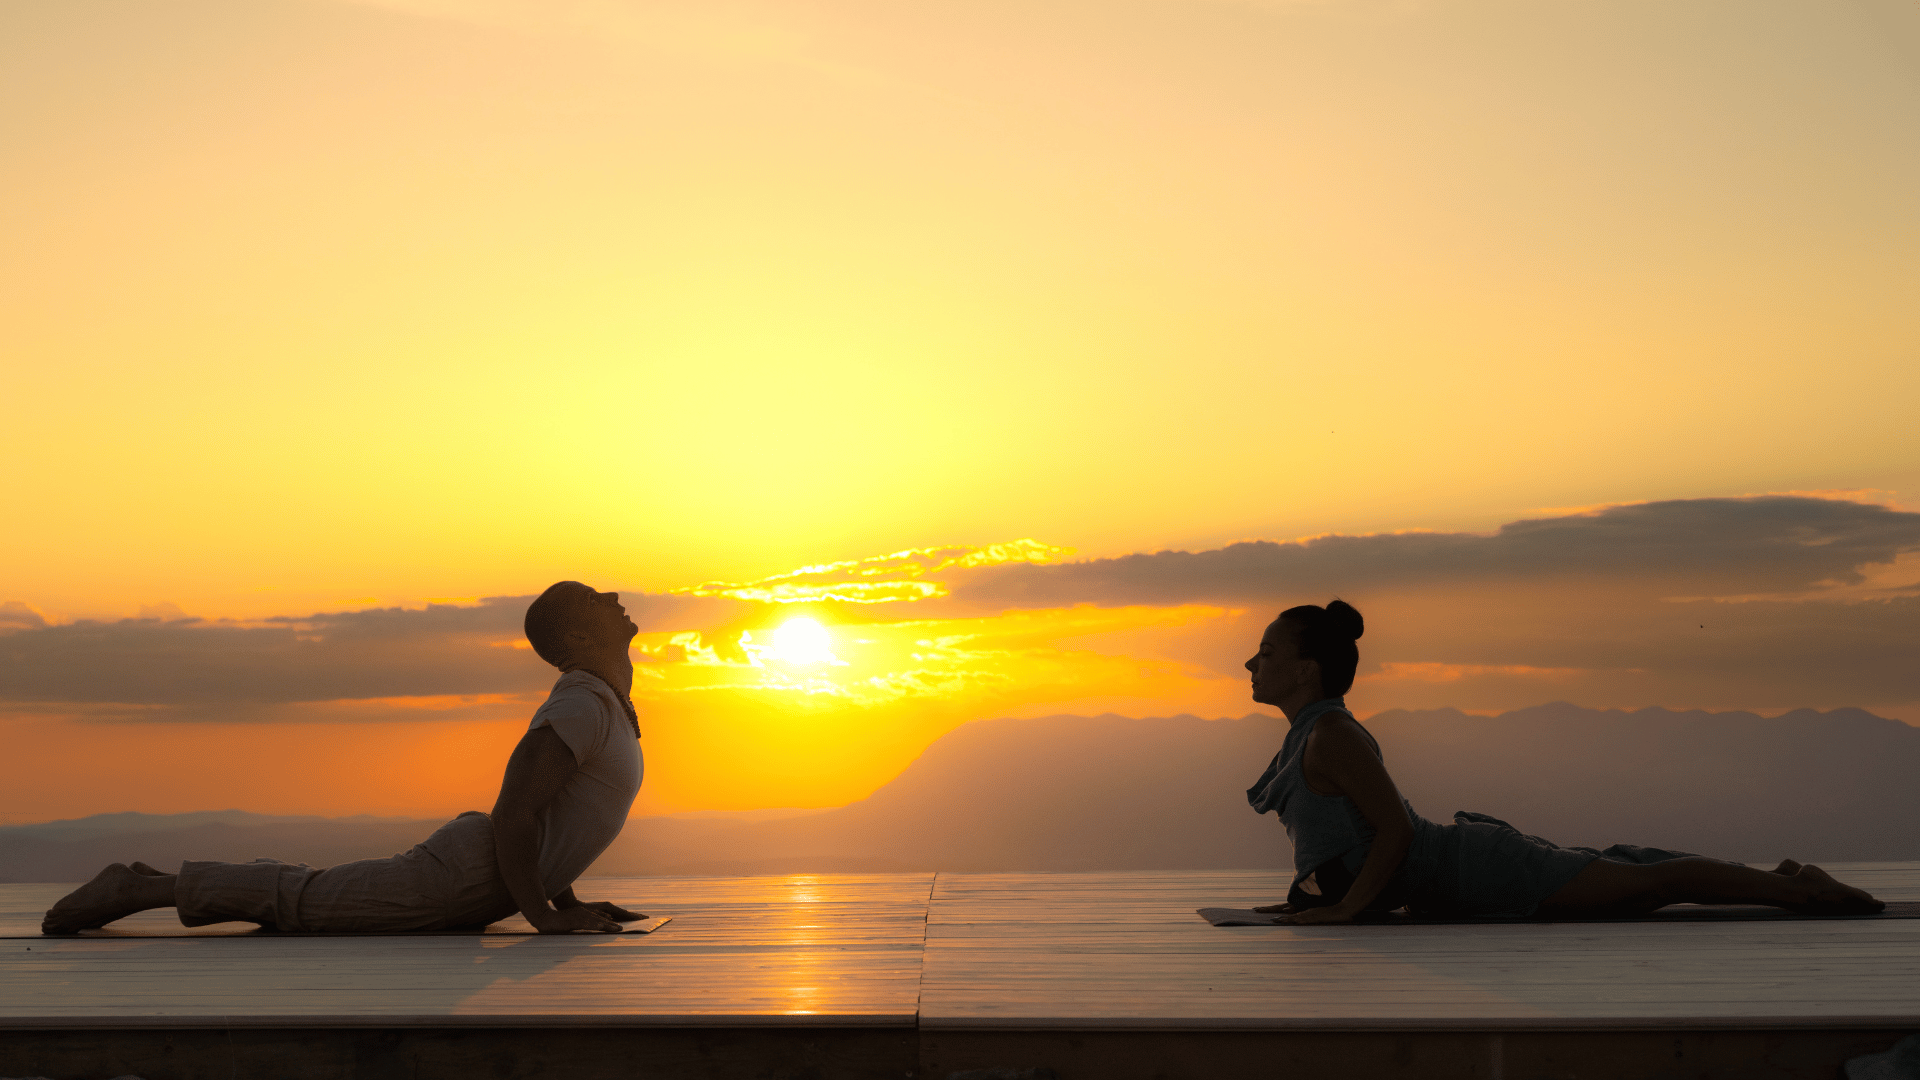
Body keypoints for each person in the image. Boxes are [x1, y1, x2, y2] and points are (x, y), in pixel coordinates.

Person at [42, 581, 648, 936]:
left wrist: (568, 902)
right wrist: (543, 915)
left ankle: (155, 880)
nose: (615, 596)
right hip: (461, 877)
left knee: (316, 891)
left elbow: (561, 816)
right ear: (577, 634)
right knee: (305, 903)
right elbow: (516, 812)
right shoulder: (580, 705)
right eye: (596, 599)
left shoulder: (602, 703)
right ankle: (138, 889)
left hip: (478, 882)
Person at [1243, 600, 1884, 924]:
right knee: (1626, 867)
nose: (1252, 663)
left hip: (1485, 872)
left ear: (1305, 670)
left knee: (1655, 888)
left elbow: (1397, 834)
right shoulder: (1310, 734)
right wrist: (1314, 900)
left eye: (1265, 653)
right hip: (1473, 874)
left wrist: (1346, 911)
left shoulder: (1331, 735)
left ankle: (1800, 890)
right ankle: (1783, 874)